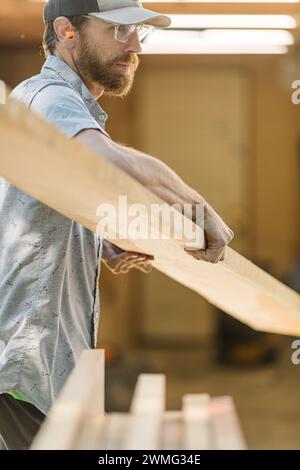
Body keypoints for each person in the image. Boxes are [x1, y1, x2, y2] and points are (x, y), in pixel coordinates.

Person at [0, 0, 234, 449]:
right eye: (118, 31)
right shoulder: (48, 96)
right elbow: (109, 160)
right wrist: (196, 205)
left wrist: (102, 242)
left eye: (139, 33)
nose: (134, 46)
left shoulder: (56, 111)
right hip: (23, 366)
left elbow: (42, 203)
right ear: (67, 30)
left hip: (45, 364)